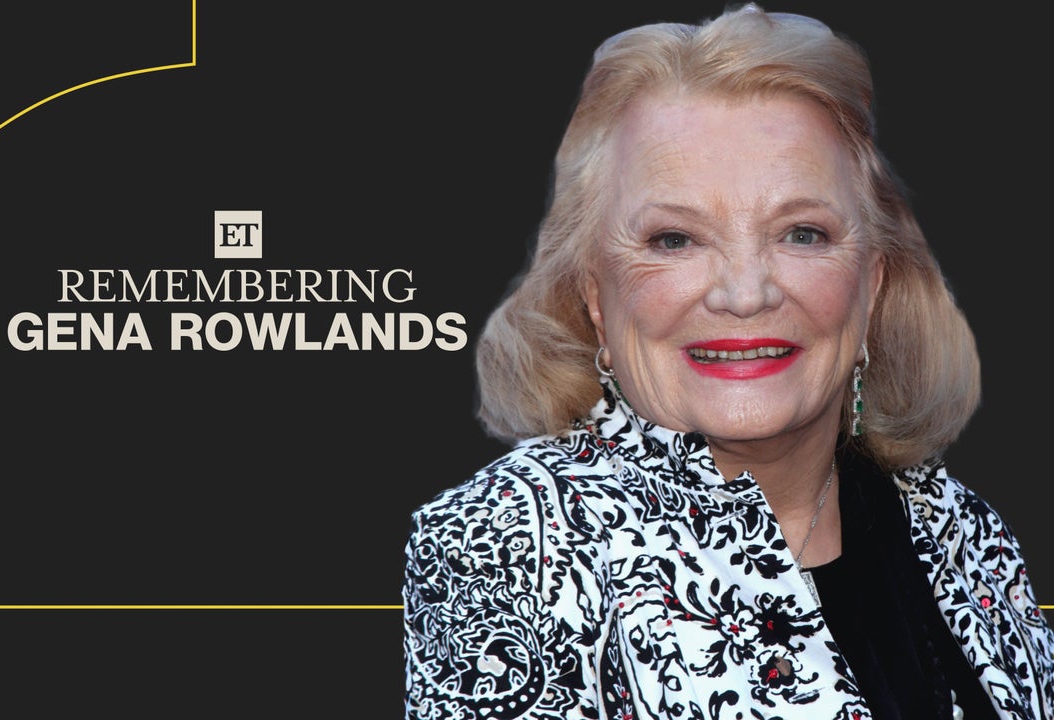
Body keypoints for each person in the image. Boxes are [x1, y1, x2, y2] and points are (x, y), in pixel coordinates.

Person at [401, 5, 1054, 719]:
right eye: (674, 239)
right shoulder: (506, 543)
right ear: (595, 296)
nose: (745, 295)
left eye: (802, 233)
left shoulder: (961, 527)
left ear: (871, 285)